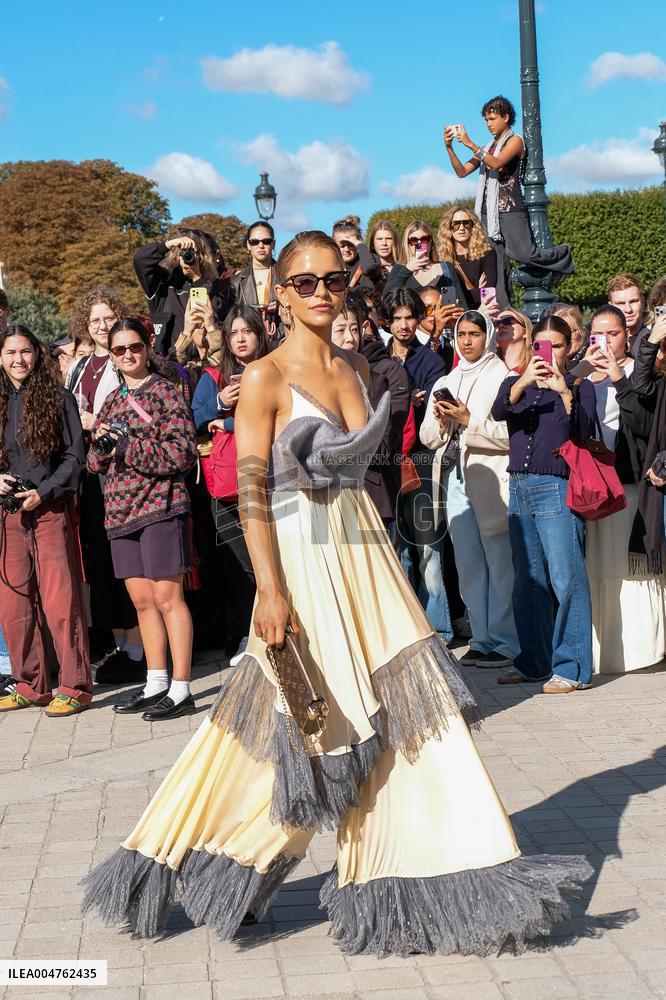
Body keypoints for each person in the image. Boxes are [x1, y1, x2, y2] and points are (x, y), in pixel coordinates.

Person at [83, 229, 591, 954]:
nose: (323, 292)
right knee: (296, 727)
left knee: (413, 715)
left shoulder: (357, 365)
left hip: (364, 552)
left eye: (333, 279)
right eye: (305, 282)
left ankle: (436, 875)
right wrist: (269, 589)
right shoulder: (262, 377)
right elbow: (252, 495)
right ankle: (185, 865)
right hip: (300, 557)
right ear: (280, 294)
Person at [89, 319, 198, 722]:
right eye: (119, 351)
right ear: (112, 356)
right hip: (119, 512)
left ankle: (182, 687)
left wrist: (127, 445)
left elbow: (181, 454)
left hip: (161, 507)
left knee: (169, 599)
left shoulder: (166, 393)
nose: (128, 355)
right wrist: (102, 448)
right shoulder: (112, 401)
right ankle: (155, 681)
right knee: (141, 601)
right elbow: (94, 463)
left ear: (147, 347)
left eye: (134, 347)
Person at [492, 315, 596, 693]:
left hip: (555, 486)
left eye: (556, 345)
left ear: (569, 348)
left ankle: (572, 668)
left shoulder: (577, 385)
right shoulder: (515, 383)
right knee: (528, 580)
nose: (547, 353)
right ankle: (534, 662)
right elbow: (499, 411)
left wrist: (564, 392)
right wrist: (522, 379)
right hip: (518, 486)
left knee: (566, 578)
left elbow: (584, 430)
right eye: (540, 345)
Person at [0, 325, 92, 716]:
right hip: (7, 514)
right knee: (14, 603)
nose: (19, 360)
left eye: (25, 352)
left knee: (60, 601)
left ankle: (74, 685)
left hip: (49, 509)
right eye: (10, 353)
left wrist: (46, 491)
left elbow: (75, 458)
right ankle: (29, 683)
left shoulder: (58, 398)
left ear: (36, 354)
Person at [421, 311, 518, 669]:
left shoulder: (504, 378)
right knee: (468, 563)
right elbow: (427, 437)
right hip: (453, 477)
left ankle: (507, 641)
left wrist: (468, 422)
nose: (466, 341)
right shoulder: (446, 379)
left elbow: (511, 437)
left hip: (491, 477)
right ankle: (481, 637)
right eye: (460, 333)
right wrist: (443, 421)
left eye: (474, 333)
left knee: (499, 561)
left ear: (488, 335)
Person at [571, 306, 662, 673]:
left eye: (613, 334)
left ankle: (641, 653)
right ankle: (604, 653)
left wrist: (619, 379)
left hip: (630, 482)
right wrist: (580, 380)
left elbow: (645, 427)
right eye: (599, 334)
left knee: (632, 567)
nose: (606, 342)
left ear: (628, 335)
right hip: (594, 487)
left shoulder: (641, 375)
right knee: (600, 566)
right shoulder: (581, 377)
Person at [66, 288, 144, 683]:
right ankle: (121, 645)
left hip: (123, 471)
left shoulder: (126, 359)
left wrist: (95, 423)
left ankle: (139, 649)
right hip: (89, 473)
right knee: (101, 562)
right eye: (95, 319)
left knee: (125, 558)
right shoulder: (80, 366)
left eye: (108, 317)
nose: (101, 325)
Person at [192, 306, 269, 663]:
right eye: (234, 332)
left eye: (247, 331)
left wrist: (229, 425)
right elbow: (190, 418)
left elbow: (282, 419)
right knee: (239, 565)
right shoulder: (212, 376)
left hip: (267, 478)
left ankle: (269, 630)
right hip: (224, 483)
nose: (240, 338)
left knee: (266, 560)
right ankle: (244, 635)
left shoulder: (273, 371)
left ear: (259, 335)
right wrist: (218, 403)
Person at [443, 96, 574, 302]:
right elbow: (462, 171)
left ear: (506, 117)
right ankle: (503, 311)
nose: (489, 124)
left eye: (492, 119)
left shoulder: (516, 141)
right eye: (486, 120)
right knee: (495, 266)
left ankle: (563, 255)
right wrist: (450, 148)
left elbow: (496, 163)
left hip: (511, 208)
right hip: (488, 214)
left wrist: (469, 143)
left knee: (523, 253)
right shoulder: (488, 147)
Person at [381, 288, 452, 642]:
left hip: (423, 461)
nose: (405, 324)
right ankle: (406, 629)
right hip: (388, 462)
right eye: (397, 318)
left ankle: (438, 628)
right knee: (398, 551)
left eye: (410, 316)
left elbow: (433, 413)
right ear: (387, 321)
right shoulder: (379, 360)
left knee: (428, 546)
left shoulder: (431, 363)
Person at [333, 291, 410, 528]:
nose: (349, 338)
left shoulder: (379, 379)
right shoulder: (311, 379)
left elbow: (382, 446)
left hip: (371, 494)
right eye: (340, 330)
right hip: (328, 498)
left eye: (354, 329)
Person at [133, 229, 232, 355]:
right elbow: (140, 260)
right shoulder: (162, 283)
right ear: (175, 254)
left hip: (206, 360)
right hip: (171, 362)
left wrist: (197, 278)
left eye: (194, 252)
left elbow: (217, 310)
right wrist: (167, 245)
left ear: (201, 256)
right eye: (183, 252)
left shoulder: (213, 286)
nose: (187, 256)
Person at [385, 220, 466, 308]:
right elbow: (387, 299)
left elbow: (460, 303)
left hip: (442, 321)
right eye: (413, 240)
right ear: (407, 244)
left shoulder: (446, 269)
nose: (419, 244)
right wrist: (407, 270)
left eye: (424, 239)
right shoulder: (400, 269)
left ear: (431, 242)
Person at [437, 205, 500, 309]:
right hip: (455, 316)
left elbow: (489, 294)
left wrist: (459, 294)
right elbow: (447, 299)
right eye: (456, 224)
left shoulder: (487, 253)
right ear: (449, 228)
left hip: (482, 313)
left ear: (473, 227)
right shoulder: (442, 258)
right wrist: (477, 292)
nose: (462, 228)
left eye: (466, 223)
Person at [231, 222, 280, 338]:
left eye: (266, 241)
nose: (261, 246)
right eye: (255, 242)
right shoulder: (236, 281)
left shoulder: (286, 275)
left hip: (280, 339)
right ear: (248, 245)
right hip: (250, 341)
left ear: (273, 244)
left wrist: (280, 306)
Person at [332, 216, 382, 295]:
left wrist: (360, 244)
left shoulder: (371, 259)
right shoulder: (331, 266)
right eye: (342, 246)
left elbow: (369, 269)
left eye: (351, 245)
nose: (347, 249)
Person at [607, 273, 648, 355]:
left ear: (643, 302)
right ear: (611, 306)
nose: (628, 309)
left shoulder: (656, 341)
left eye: (633, 301)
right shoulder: (601, 342)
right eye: (621, 303)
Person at [367, 219, 403, 290]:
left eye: (389, 238)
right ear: (372, 243)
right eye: (379, 239)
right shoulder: (365, 269)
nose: (384, 243)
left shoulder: (404, 267)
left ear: (395, 242)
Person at [496, 306, 532, 373]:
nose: (501, 326)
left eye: (508, 321)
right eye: (497, 323)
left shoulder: (535, 365)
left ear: (525, 332)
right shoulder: (490, 366)